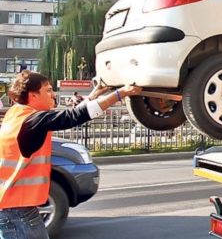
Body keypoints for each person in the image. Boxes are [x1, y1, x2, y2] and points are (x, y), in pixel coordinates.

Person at [0, 70, 142, 238]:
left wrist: (96, 92)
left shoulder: (17, 115)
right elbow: (74, 116)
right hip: (18, 214)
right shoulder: (33, 121)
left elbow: (69, 115)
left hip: (12, 209)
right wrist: (121, 93)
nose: (53, 95)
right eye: (48, 90)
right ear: (33, 96)